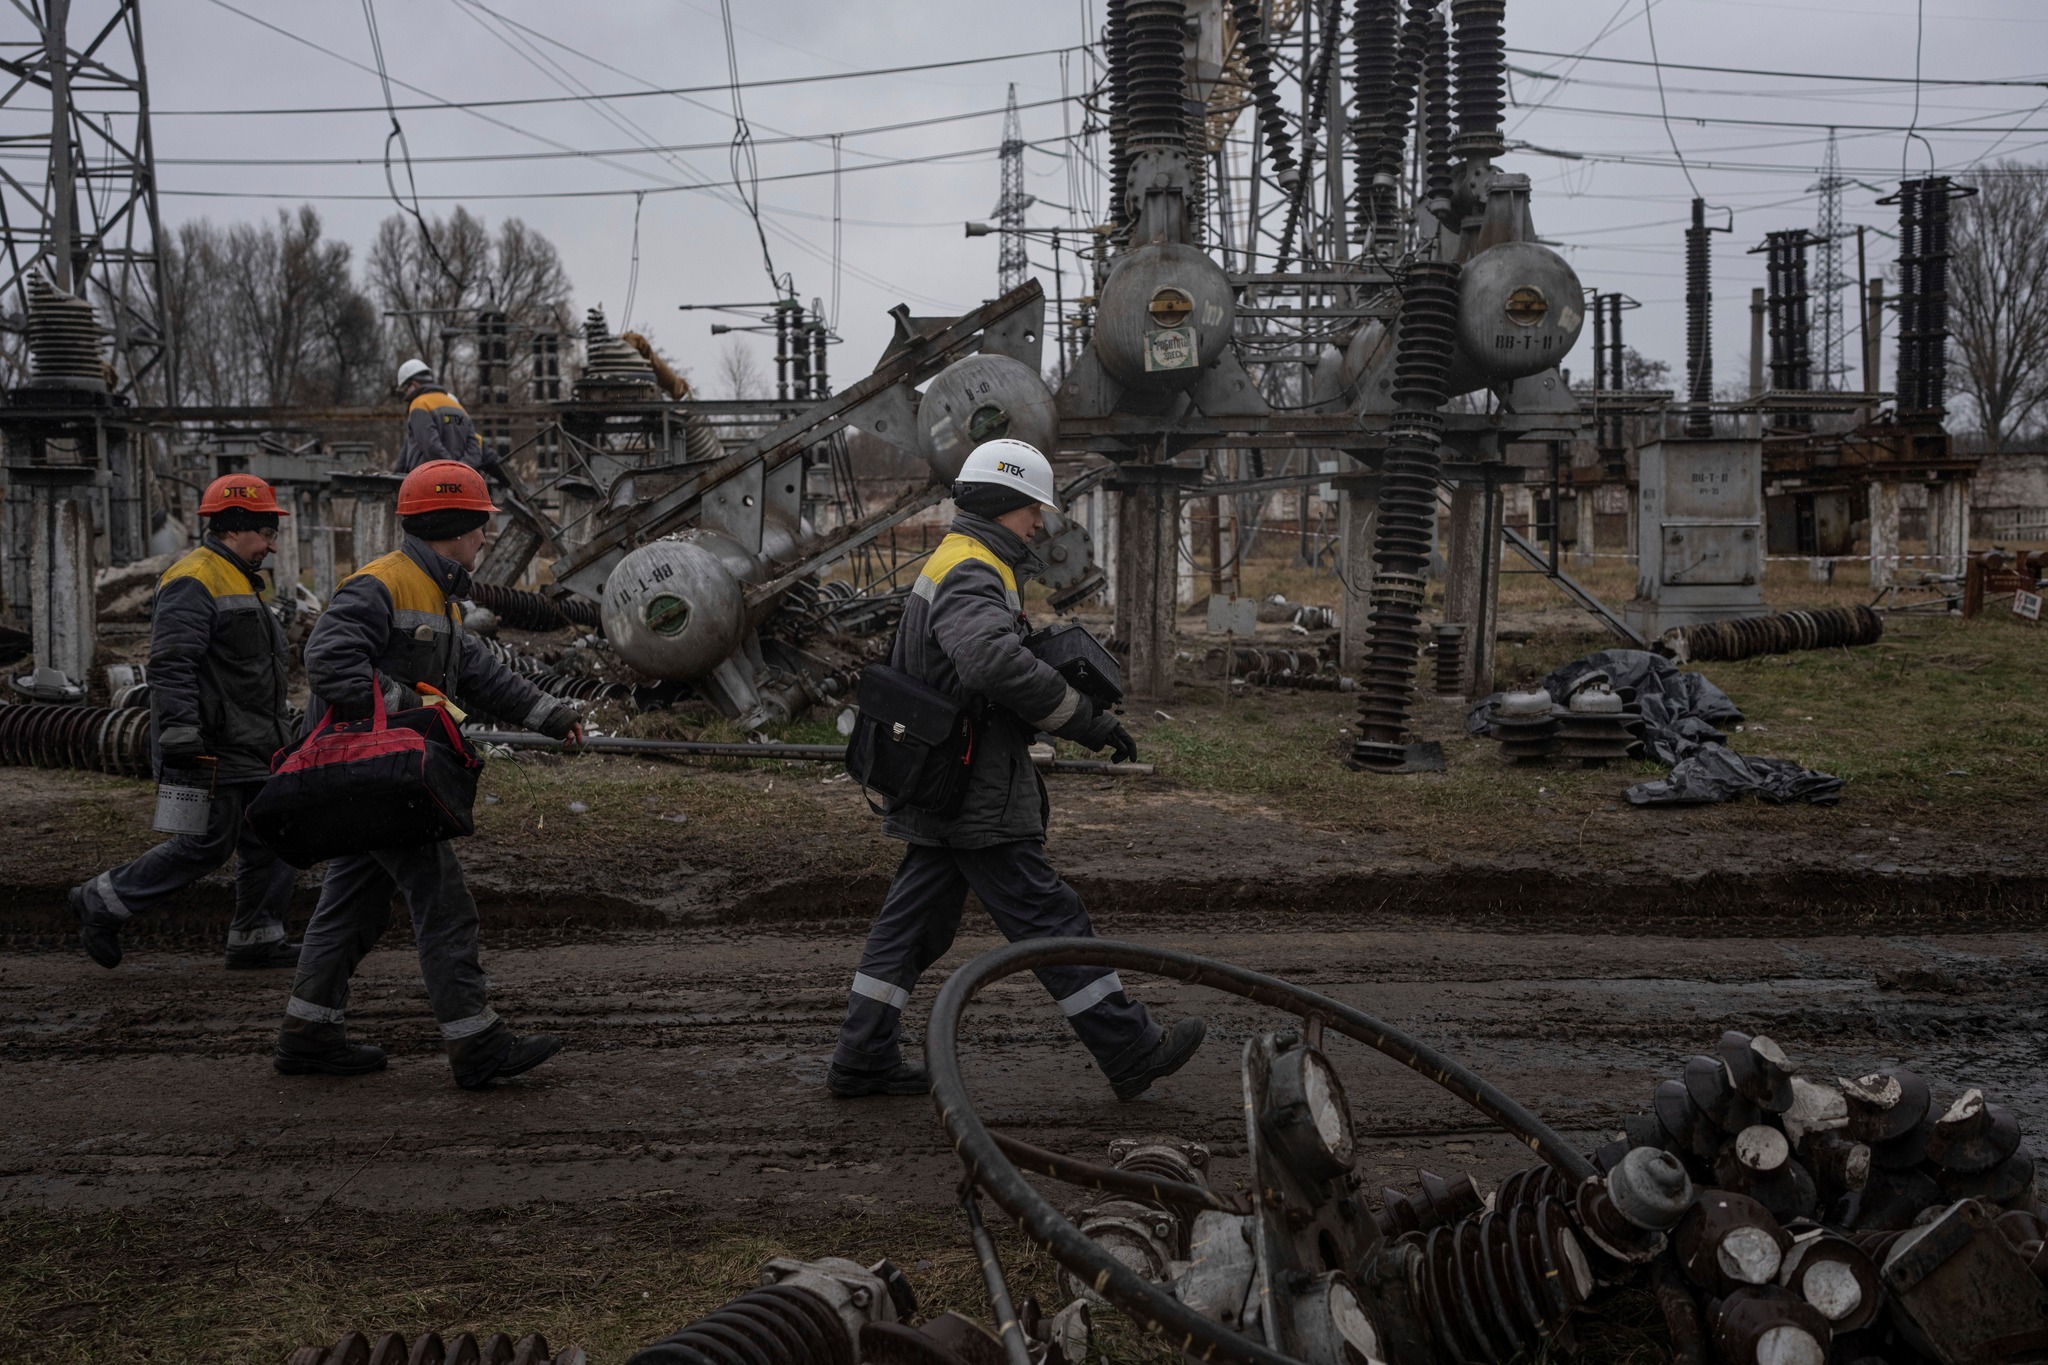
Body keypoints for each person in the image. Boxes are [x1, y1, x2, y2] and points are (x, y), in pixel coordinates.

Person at [829, 439, 1205, 1102]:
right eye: (1035, 509)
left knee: (913, 925)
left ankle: (862, 1055)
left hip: (938, 777)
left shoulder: (960, 558)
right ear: (1008, 505)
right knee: (1050, 916)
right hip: (974, 786)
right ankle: (1130, 1047)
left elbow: (976, 656)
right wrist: (1085, 719)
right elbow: (988, 664)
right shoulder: (975, 568)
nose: (1040, 523)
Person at [273, 459, 584, 1087]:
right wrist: (411, 706)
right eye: (481, 525)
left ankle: (307, 1033)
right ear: (455, 524)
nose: (486, 537)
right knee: (443, 902)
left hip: (380, 776)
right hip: (371, 775)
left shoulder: (434, 590)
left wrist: (552, 715)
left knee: (352, 904)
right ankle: (477, 1044)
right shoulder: (382, 584)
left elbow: (476, 669)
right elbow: (329, 662)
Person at [71, 473, 300, 971]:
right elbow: (172, 663)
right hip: (209, 746)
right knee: (206, 842)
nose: (272, 545)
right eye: (267, 533)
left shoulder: (239, 577)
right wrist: (179, 737)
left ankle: (258, 936)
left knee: (275, 831)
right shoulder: (193, 577)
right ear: (237, 527)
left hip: (252, 743)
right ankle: (102, 901)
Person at [394, 357, 499, 479]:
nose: (406, 395)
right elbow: (474, 447)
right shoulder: (457, 406)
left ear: (413, 385)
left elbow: (431, 446)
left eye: (405, 390)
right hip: (459, 484)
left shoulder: (419, 404)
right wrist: (460, 471)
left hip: (428, 481)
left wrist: (450, 471)